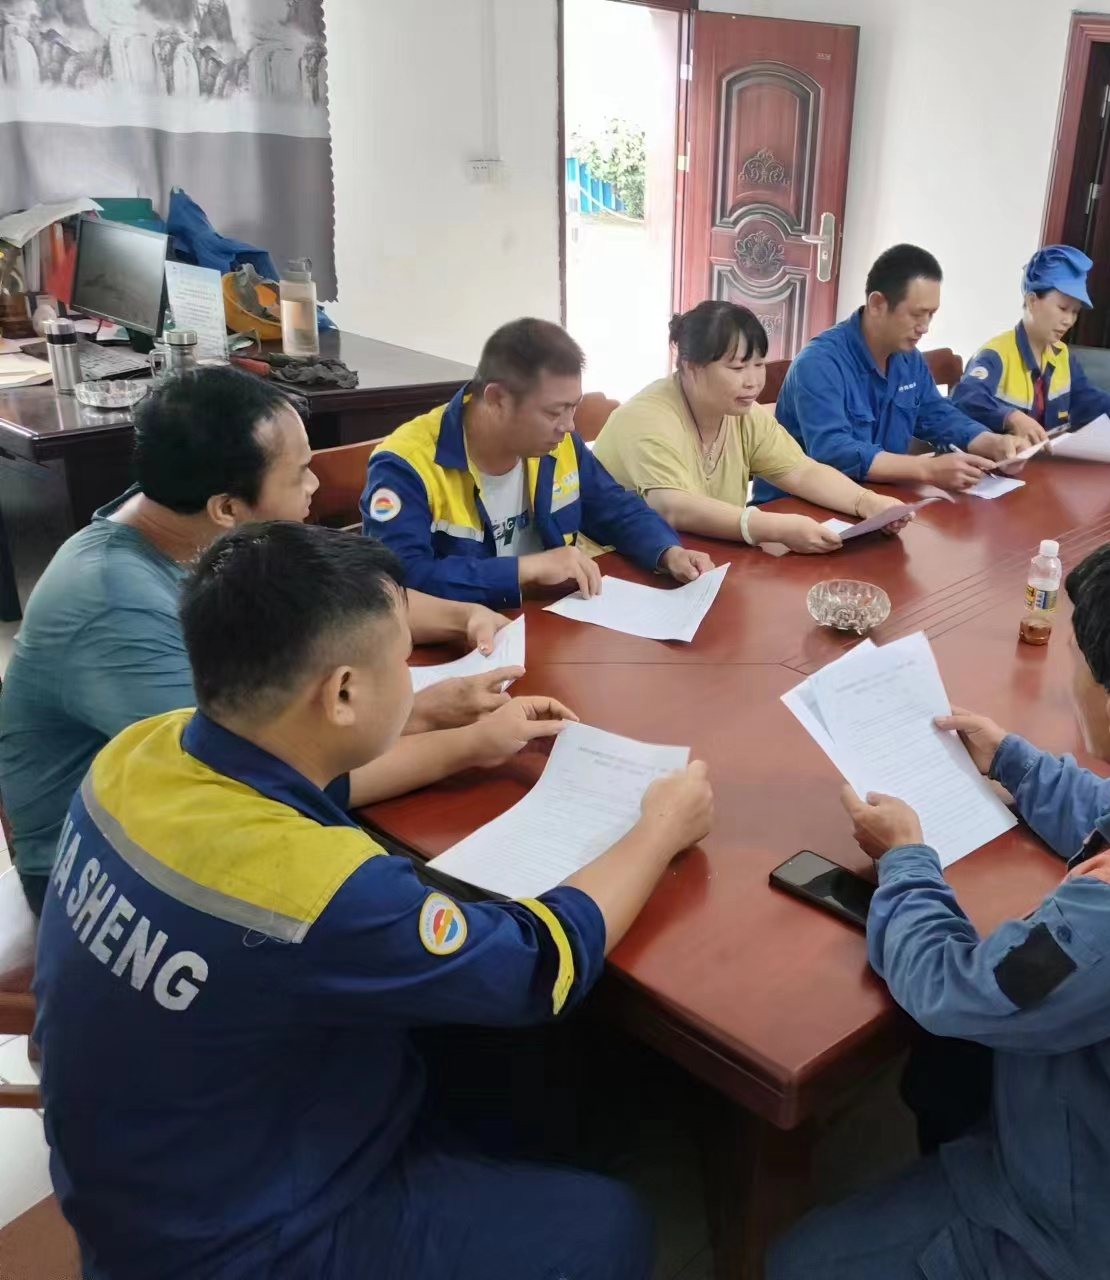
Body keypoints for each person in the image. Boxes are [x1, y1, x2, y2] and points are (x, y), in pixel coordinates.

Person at [32, 521, 715, 1280]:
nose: (412, 677)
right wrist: (659, 829)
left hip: (137, 1178)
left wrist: (446, 729)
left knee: (502, 1067)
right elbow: (538, 964)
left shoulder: (142, 752)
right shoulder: (320, 891)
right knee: (605, 1225)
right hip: (245, 1242)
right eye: (403, 662)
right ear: (343, 693)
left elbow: (305, 778)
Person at [768, 531, 1110, 1280]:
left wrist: (905, 857)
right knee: (945, 1077)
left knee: (798, 1261)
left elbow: (954, 988)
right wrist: (1017, 766)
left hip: (1106, 1232)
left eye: (1078, 662)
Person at [0, 368, 534, 918]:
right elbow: (259, 777)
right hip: (105, 872)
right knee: (426, 902)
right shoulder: (115, 602)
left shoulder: (192, 520)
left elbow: (339, 596)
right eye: (300, 473)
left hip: (190, 818)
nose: (315, 486)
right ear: (228, 507)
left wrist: (460, 621)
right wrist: (469, 745)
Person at [362, 318, 715, 607]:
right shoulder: (406, 466)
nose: (569, 426)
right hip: (464, 639)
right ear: (497, 399)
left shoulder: (557, 444)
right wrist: (524, 569)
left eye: (573, 407)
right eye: (553, 412)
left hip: (549, 620)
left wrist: (668, 552)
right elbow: (400, 581)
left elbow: (614, 508)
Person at [594, 301, 912, 553]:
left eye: (759, 364)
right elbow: (673, 507)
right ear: (691, 367)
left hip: (704, 557)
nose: (753, 381)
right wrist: (773, 528)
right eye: (737, 367)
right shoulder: (647, 418)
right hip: (617, 566)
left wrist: (867, 502)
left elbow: (801, 471)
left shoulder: (742, 413)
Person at [768, 244, 1023, 501]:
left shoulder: (908, 360)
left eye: (931, 315)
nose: (924, 327)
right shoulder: (819, 363)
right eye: (916, 314)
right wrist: (925, 469)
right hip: (799, 509)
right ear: (877, 304)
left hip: (878, 501)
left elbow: (937, 415)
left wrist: (991, 442)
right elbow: (833, 451)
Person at [950, 244, 1110, 447]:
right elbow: (966, 398)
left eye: (1075, 312)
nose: (1069, 321)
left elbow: (1084, 397)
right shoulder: (996, 354)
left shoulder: (1061, 355)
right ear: (1032, 301)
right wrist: (1012, 418)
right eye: (1062, 308)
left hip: (1041, 462)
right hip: (997, 466)